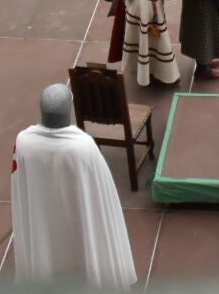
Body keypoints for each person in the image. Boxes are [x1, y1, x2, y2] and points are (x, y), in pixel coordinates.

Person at [10, 83, 136, 289]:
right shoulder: (83, 146)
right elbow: (99, 191)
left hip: (42, 220)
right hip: (78, 221)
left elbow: (20, 182)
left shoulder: (23, 142)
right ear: (70, 108)